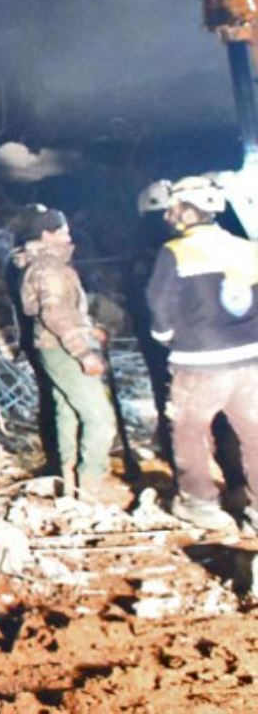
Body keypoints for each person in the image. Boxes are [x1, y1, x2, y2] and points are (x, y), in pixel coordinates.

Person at [141, 173, 258, 533]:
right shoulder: (246, 247)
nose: (168, 215)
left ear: (185, 210)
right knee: (255, 433)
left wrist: (166, 336)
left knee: (190, 430)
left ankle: (200, 503)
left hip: (200, 363)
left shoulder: (176, 251)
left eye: (173, 208)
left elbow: (157, 304)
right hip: (250, 360)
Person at [7, 204, 121, 503]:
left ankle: (68, 481)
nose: (69, 236)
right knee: (99, 417)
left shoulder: (44, 265)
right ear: (47, 234)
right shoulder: (48, 268)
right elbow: (55, 314)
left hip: (53, 345)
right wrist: (84, 352)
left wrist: (89, 327)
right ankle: (91, 483)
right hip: (63, 348)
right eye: (63, 231)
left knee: (67, 413)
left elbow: (62, 310)